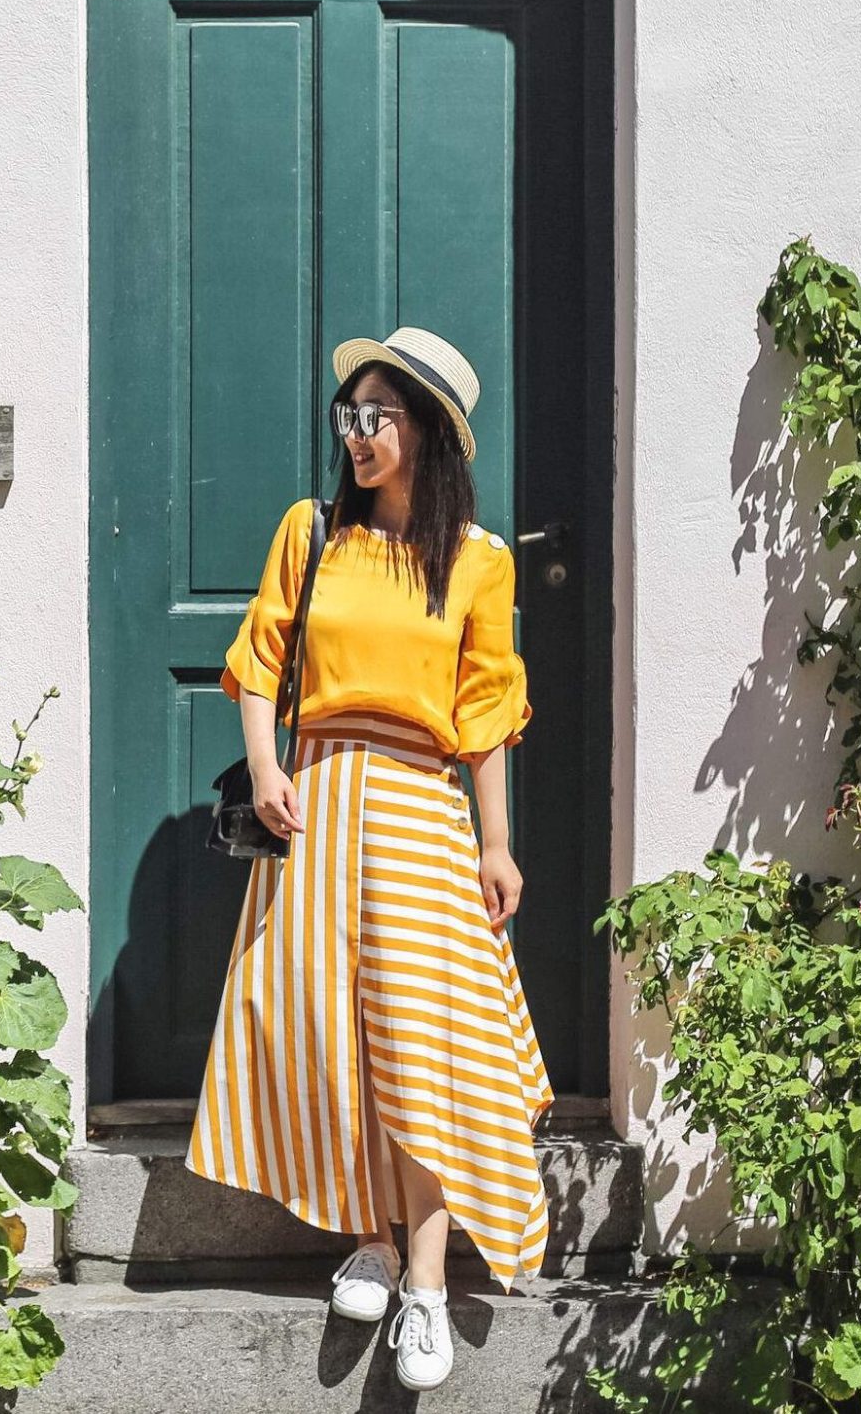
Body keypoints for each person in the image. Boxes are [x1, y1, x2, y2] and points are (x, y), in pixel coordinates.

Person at [183, 325, 551, 1393]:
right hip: (322, 793)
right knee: (328, 1029)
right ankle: (372, 1244)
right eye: (347, 416)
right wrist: (263, 769)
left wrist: (496, 840)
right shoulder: (310, 533)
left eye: (376, 417)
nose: (355, 435)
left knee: (423, 1036)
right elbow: (259, 658)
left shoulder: (478, 560)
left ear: (429, 433)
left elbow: (484, 710)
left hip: (424, 807)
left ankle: (427, 1282)